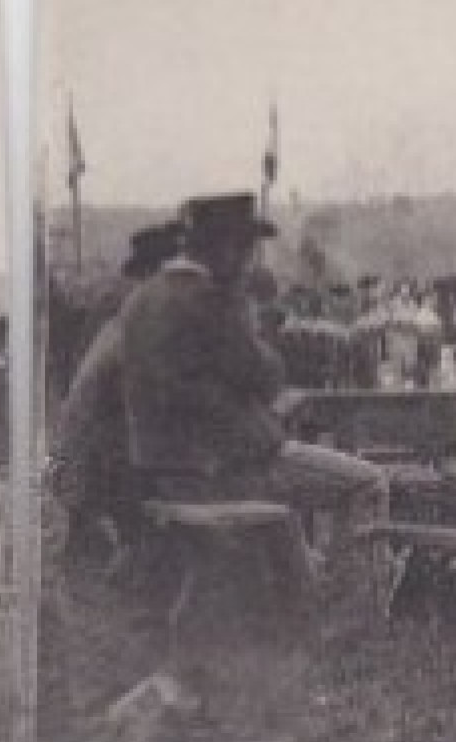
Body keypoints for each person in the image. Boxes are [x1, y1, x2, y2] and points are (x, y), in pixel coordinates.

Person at [118, 194, 385, 571]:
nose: (249, 261)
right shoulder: (209, 299)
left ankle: (306, 575)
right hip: (226, 471)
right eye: (246, 248)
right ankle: (347, 616)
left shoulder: (141, 299)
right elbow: (267, 377)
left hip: (161, 469)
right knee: (367, 483)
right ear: (224, 248)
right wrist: (253, 327)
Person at [48, 220, 185, 560]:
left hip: (95, 444)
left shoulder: (126, 301)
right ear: (157, 272)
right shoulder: (135, 311)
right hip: (105, 457)